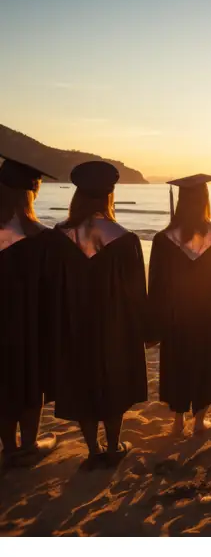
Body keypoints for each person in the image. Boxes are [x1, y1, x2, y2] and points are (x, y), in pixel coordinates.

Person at [50, 161, 147, 468]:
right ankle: (115, 445)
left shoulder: (58, 237)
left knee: (81, 381)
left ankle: (93, 449)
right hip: (114, 328)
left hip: (72, 324)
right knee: (113, 381)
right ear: (110, 195)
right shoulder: (124, 239)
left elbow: (50, 285)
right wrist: (144, 328)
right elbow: (135, 293)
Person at [148, 173, 211, 436]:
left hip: (177, 317)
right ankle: (199, 422)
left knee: (178, 365)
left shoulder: (164, 239)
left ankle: (177, 422)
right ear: (206, 200)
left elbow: (157, 286)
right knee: (206, 365)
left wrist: (155, 324)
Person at [0, 155, 58, 467]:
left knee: (3, 381)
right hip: (32, 324)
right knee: (30, 379)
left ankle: (8, 446)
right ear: (30, 193)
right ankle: (30, 443)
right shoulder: (44, 237)